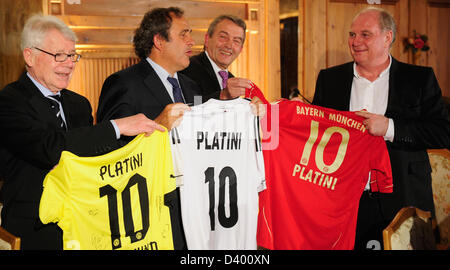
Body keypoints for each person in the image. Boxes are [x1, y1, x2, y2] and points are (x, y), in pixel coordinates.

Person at [0, 14, 164, 250]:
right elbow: (50, 148)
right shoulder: (9, 101)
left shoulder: (79, 104)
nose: (69, 64)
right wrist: (117, 126)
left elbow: (95, 157)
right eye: (59, 55)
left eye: (72, 56)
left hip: (85, 227)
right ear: (30, 56)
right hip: (35, 231)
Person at [312, 7, 449, 249]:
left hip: (404, 200)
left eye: (365, 34)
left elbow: (442, 131)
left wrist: (390, 127)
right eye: (352, 34)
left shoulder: (419, 78)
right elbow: (316, 134)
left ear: (388, 37)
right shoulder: (329, 79)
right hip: (344, 200)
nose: (355, 42)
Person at [180, 14, 252, 101]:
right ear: (207, 39)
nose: (229, 45)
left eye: (236, 41)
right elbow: (194, 104)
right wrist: (223, 95)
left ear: (240, 49)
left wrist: (250, 105)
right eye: (223, 37)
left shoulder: (231, 79)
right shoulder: (188, 68)